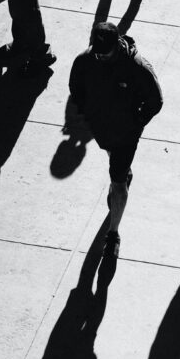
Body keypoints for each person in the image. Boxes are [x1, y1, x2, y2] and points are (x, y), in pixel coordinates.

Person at [69, 22, 163, 257]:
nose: (100, 57)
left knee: (117, 182)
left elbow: (156, 101)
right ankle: (123, 172)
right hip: (101, 130)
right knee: (116, 164)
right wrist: (87, 112)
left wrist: (135, 123)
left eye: (105, 53)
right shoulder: (86, 60)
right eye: (96, 51)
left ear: (117, 45)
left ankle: (113, 233)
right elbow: (76, 88)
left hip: (125, 135)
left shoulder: (137, 67)